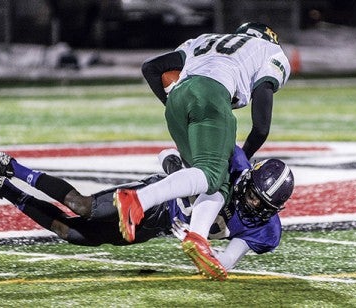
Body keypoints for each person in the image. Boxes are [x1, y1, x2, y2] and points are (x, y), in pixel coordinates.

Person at [113, 22, 291, 279]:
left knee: (213, 182)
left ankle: (197, 237)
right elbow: (261, 127)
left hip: (178, 101)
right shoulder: (268, 51)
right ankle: (138, 200)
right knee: (211, 175)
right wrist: (243, 159)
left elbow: (151, 68)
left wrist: (178, 105)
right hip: (213, 95)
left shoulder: (205, 39)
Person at [0, 147, 294, 281]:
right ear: (247, 178)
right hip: (151, 203)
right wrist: (175, 166)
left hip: (156, 228)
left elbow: (223, 264)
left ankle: (2, 187)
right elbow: (173, 152)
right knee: (83, 206)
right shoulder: (232, 161)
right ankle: (10, 166)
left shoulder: (267, 232)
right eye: (251, 196)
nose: (252, 205)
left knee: (72, 233)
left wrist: (198, 246)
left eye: (261, 205)